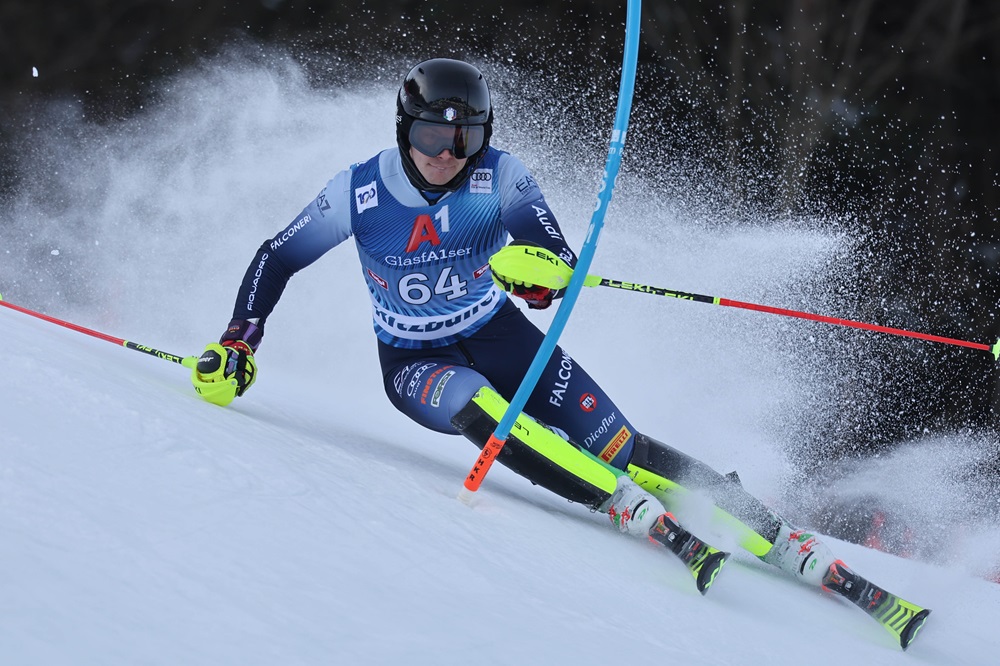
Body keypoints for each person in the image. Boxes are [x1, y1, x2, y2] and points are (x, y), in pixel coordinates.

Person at [192, 57, 928, 645]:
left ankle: (778, 537)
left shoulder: (500, 177)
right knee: (482, 412)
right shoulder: (357, 194)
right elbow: (277, 256)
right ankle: (623, 508)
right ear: (402, 130)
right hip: (415, 361)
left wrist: (543, 282)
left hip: (501, 335)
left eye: (464, 138)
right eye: (428, 137)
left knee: (622, 442)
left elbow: (553, 256)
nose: (446, 155)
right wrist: (239, 340)